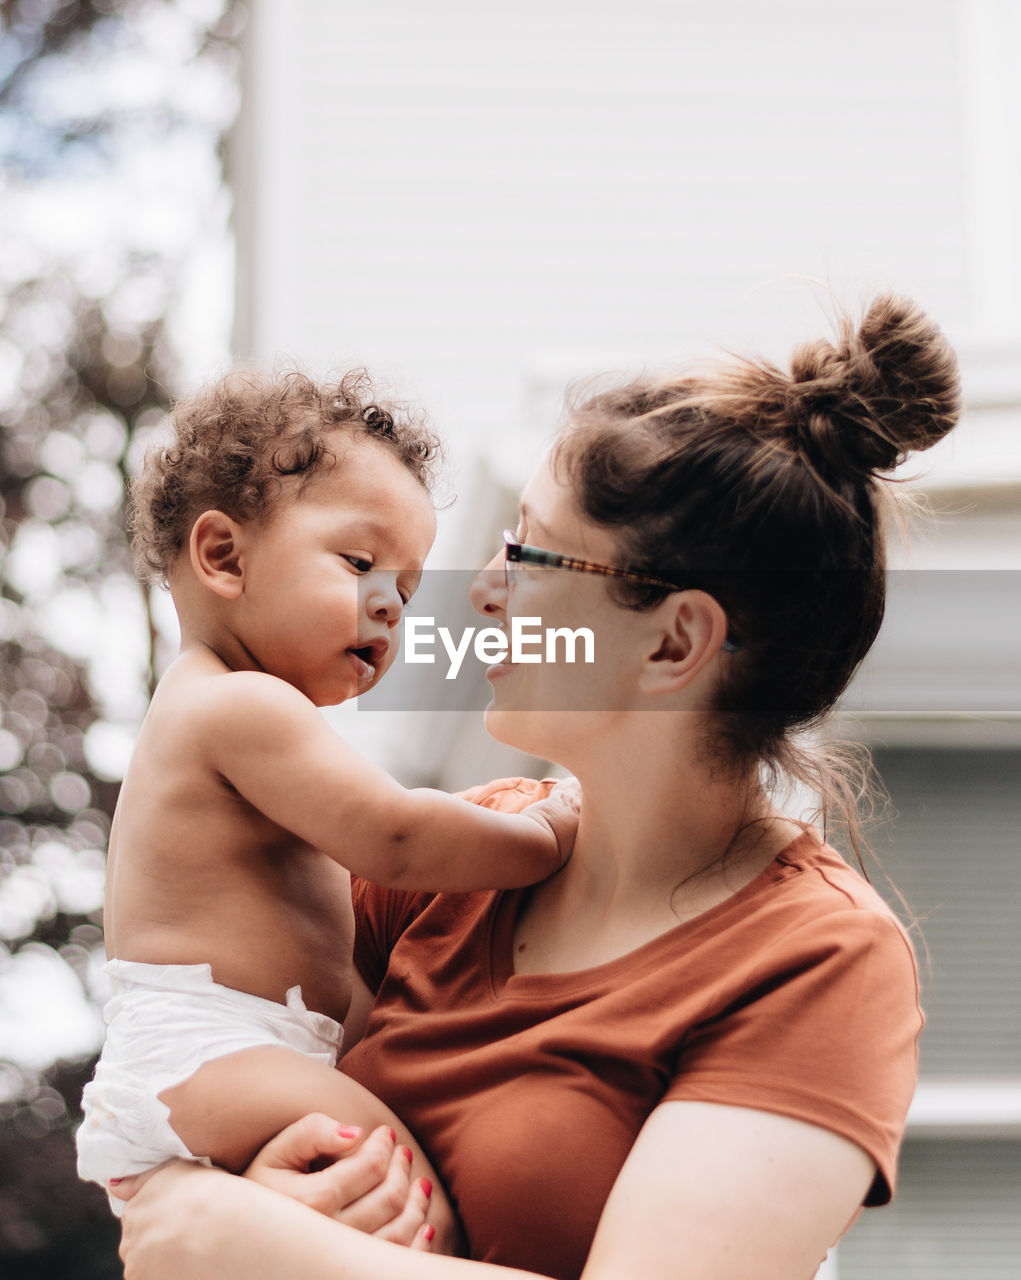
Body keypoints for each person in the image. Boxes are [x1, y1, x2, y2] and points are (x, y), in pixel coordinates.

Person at [115, 294, 960, 1280]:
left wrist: (237, 1234)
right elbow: (207, 1070)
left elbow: (216, 1239)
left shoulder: (815, 961)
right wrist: (223, 1192)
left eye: (530, 551)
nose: (480, 587)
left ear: (674, 638)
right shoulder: (448, 867)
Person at [75, 369, 578, 1247]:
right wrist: (547, 833)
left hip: (223, 1056)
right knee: (414, 1202)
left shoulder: (223, 712)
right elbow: (396, 836)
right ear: (224, 558)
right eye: (357, 564)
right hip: (213, 1049)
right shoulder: (237, 705)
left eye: (407, 589)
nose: (388, 603)